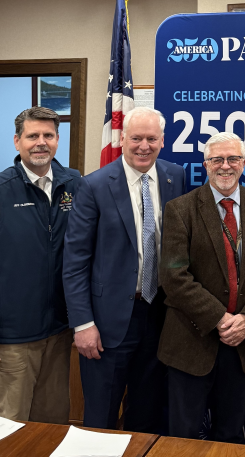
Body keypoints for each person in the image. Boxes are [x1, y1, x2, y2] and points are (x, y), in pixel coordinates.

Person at [0, 106, 80, 423]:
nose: (41, 142)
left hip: (59, 333)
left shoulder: (74, 184)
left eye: (48, 135)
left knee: (52, 425)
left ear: (57, 140)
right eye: (32, 135)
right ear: (17, 141)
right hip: (10, 339)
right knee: (9, 427)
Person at [62, 107, 186, 433]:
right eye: (136, 138)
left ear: (162, 141)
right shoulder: (93, 186)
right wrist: (83, 324)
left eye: (151, 139)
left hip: (160, 317)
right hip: (107, 324)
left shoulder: (176, 178)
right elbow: (75, 263)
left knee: (147, 415)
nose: (143, 146)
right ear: (122, 139)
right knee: (101, 417)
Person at [158, 132, 245, 443]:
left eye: (233, 159)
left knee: (229, 435)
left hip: (243, 345)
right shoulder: (180, 209)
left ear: (243, 163)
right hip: (191, 342)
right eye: (217, 160)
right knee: (182, 438)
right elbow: (174, 276)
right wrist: (221, 318)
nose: (225, 166)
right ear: (205, 164)